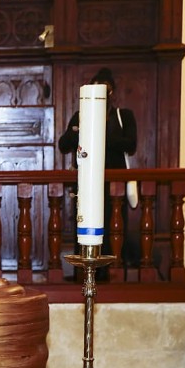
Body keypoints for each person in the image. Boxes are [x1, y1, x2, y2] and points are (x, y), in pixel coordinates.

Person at [58, 67, 138, 266]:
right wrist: (81, 129)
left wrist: (96, 132)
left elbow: (131, 144)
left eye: (104, 91)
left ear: (112, 93)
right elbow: (63, 145)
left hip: (114, 185)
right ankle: (84, 272)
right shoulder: (80, 116)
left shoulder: (123, 115)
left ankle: (113, 271)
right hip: (86, 183)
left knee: (113, 228)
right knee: (84, 226)